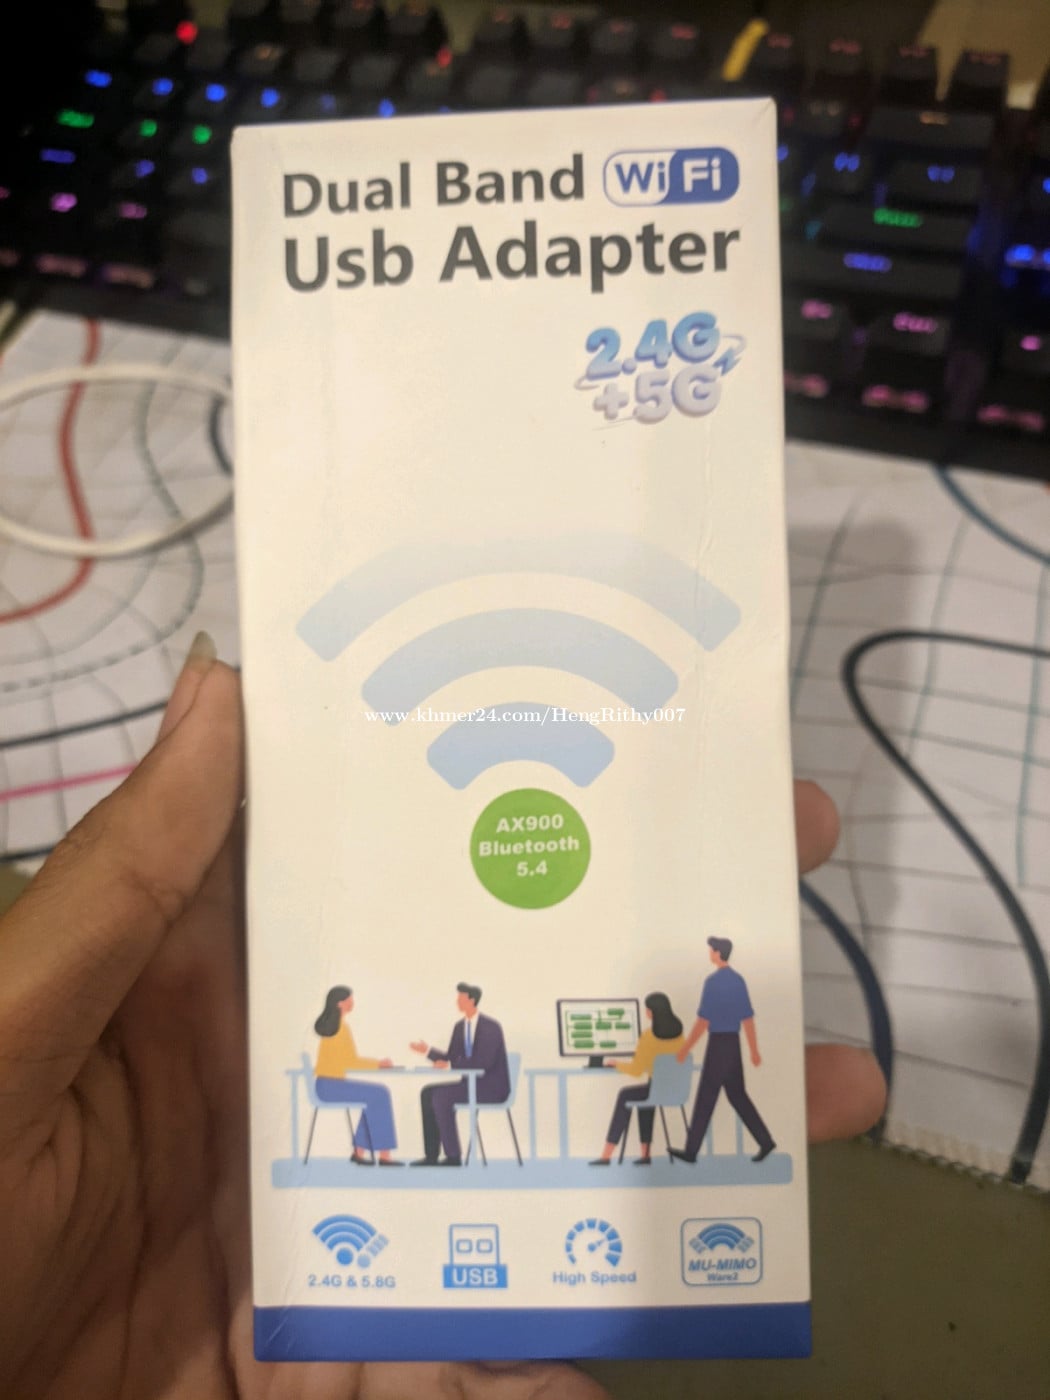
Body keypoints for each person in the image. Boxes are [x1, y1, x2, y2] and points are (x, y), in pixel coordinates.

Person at [0, 637, 886, 1398]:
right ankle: (409, 1162)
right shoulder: (351, 1025)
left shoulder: (508, 1024)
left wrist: (439, 1059)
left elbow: (571, 1060)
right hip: (346, 1146)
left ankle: (475, 1158)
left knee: (678, 1101)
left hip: (493, 1090)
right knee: (483, 1101)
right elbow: (360, 1066)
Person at [670, 936, 776, 1165]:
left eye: (711, 950)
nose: (709, 953)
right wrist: (754, 1050)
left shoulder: (712, 982)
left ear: (718, 953)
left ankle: (691, 1152)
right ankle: (766, 1141)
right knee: (737, 1095)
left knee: (706, 1097)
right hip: (733, 1044)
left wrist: (685, 1049)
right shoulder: (738, 981)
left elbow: (703, 1022)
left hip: (718, 1044)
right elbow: (747, 1019)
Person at [409, 982, 509, 1166]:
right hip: (469, 1085)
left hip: (491, 1088)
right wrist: (427, 1051)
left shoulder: (490, 1027)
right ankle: (431, 1156)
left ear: (472, 1000)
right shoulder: (460, 1027)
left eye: (461, 998)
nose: (457, 1002)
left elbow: (484, 1061)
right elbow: (451, 1057)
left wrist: (449, 1065)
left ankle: (453, 1157)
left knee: (442, 1096)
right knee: (427, 1093)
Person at [590, 992, 686, 1166]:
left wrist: (616, 1064)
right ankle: (645, 1155)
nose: (646, 1012)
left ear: (652, 1012)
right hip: (677, 1090)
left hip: (656, 1088)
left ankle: (606, 1155)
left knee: (626, 1094)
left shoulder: (648, 1036)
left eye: (647, 1009)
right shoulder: (679, 1035)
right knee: (646, 1096)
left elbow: (636, 1071)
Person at [312, 985, 401, 1165]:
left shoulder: (335, 1026)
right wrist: (379, 1064)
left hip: (327, 1085)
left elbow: (347, 1061)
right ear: (340, 1003)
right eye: (349, 999)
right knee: (380, 1094)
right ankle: (382, 1156)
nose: (352, 1002)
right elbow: (350, 1061)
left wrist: (378, 1064)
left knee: (377, 1095)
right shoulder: (339, 1027)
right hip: (331, 1087)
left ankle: (360, 1153)